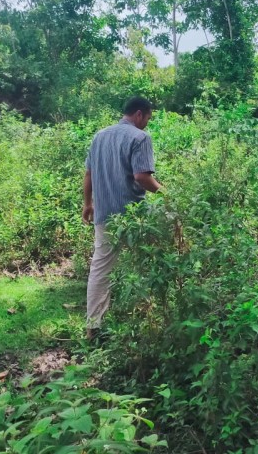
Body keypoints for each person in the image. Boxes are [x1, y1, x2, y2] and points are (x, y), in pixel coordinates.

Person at [82, 96, 163, 340]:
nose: (147, 123)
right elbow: (142, 177)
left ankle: (93, 327)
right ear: (139, 114)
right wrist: (168, 193)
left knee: (101, 267)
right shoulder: (140, 138)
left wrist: (88, 204)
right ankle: (149, 315)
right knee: (149, 260)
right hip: (133, 216)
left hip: (105, 214)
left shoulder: (100, 136)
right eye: (147, 118)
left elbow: (88, 174)